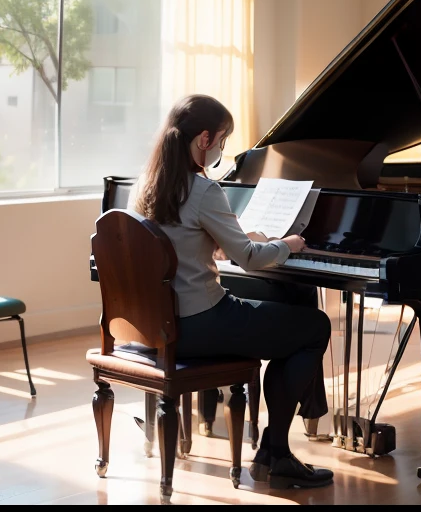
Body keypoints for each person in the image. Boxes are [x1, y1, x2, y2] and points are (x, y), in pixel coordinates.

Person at [132, 94, 333, 489]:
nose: (222, 149)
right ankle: (276, 453)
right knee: (315, 327)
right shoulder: (204, 190)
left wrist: (225, 240)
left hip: (154, 327)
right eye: (223, 141)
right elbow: (250, 259)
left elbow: (179, 244)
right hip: (199, 324)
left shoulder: (145, 186)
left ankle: (274, 449)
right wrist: (289, 245)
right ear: (205, 139)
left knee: (292, 319)